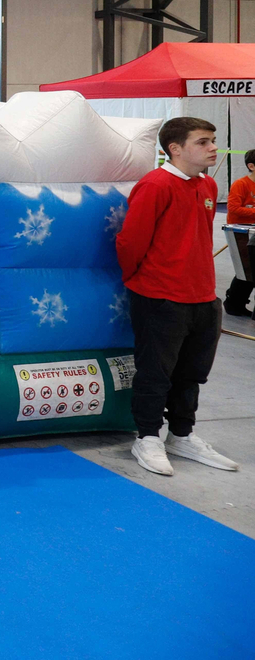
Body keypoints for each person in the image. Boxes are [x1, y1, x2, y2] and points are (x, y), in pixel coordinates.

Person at [115, 117, 240, 475]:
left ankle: (181, 435)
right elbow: (130, 241)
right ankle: (148, 438)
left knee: (192, 374)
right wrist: (141, 282)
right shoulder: (155, 186)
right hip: (161, 297)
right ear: (175, 148)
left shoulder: (208, 186)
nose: (213, 147)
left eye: (213, 140)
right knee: (156, 372)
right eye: (203, 142)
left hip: (203, 298)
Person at [222, 148, 255, 319]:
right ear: (251, 166)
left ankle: (236, 303)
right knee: (246, 269)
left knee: (250, 270)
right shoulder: (241, 184)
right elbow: (233, 209)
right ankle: (233, 303)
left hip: (253, 231)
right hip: (240, 231)